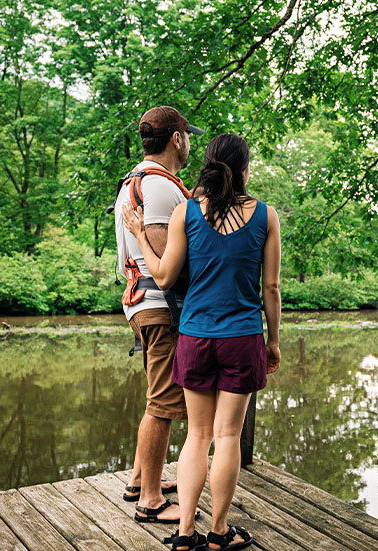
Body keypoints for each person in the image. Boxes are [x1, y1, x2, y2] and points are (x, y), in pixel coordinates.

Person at [121, 133, 281, 551]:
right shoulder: (266, 216)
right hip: (243, 337)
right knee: (227, 437)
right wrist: (274, 342)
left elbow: (164, 276)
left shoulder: (185, 212)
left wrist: (139, 234)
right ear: (245, 170)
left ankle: (186, 532)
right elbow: (272, 288)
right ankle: (218, 533)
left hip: (194, 338)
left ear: (208, 166)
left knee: (197, 435)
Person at [114, 106, 203, 524]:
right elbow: (168, 263)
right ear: (177, 139)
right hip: (158, 306)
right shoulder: (162, 187)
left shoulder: (132, 181)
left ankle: (138, 478)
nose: (190, 145)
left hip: (138, 302)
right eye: (189, 137)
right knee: (164, 403)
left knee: (157, 396)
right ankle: (150, 500)